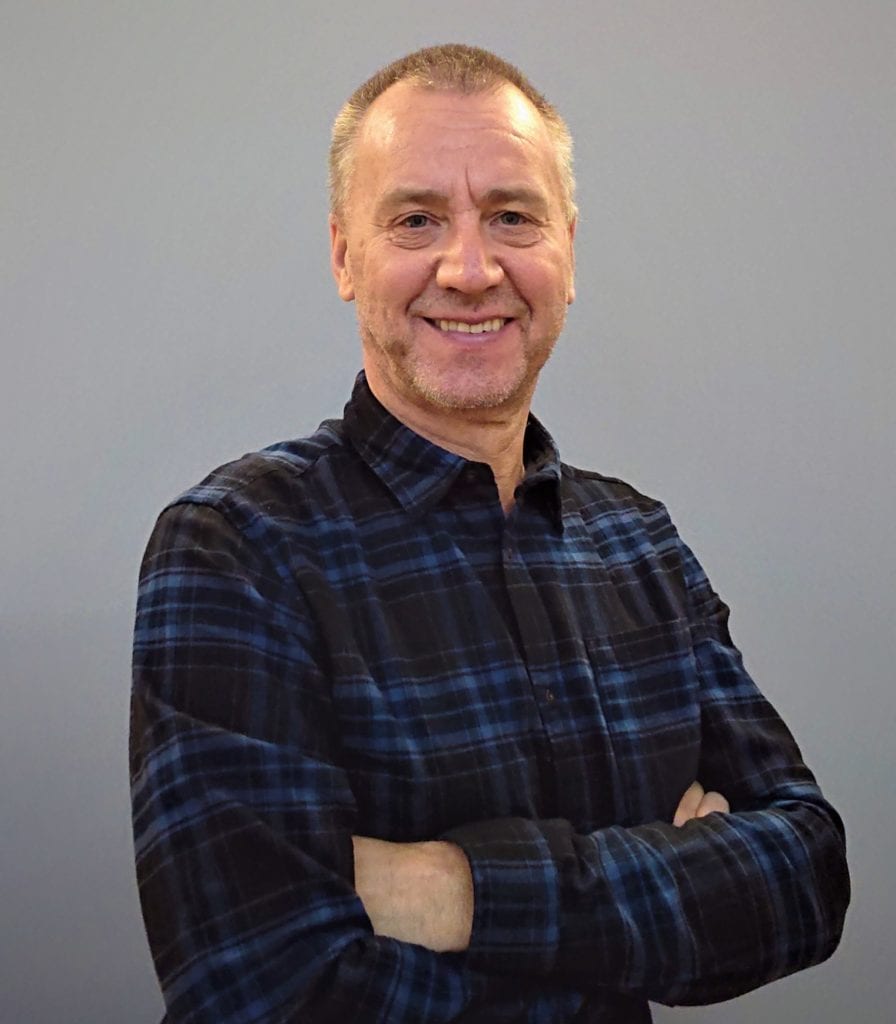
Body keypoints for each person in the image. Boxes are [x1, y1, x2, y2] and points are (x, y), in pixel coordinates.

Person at [130, 43, 849, 1023]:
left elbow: (805, 876)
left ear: (567, 252)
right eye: (416, 220)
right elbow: (263, 988)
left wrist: (455, 888)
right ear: (344, 256)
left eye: (512, 216)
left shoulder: (638, 541)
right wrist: (661, 897)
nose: (470, 270)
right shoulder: (236, 548)